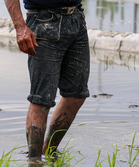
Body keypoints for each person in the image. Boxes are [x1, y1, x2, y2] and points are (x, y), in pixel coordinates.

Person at [4, 0, 90, 158]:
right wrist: (19, 26)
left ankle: (48, 151)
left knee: (76, 95)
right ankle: (34, 163)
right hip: (43, 20)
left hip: (76, 18)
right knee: (41, 100)